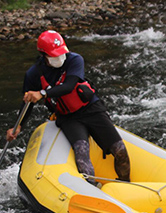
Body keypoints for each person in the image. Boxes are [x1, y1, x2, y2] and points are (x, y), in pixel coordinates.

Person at [6, 30, 130, 185]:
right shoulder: (33, 74)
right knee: (81, 153)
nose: (59, 58)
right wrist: (18, 126)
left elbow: (69, 86)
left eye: (60, 53)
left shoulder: (74, 60)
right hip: (68, 117)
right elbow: (27, 103)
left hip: (91, 109)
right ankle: (92, 190)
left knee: (120, 150)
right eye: (54, 55)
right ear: (43, 55)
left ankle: (126, 184)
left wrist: (42, 93)